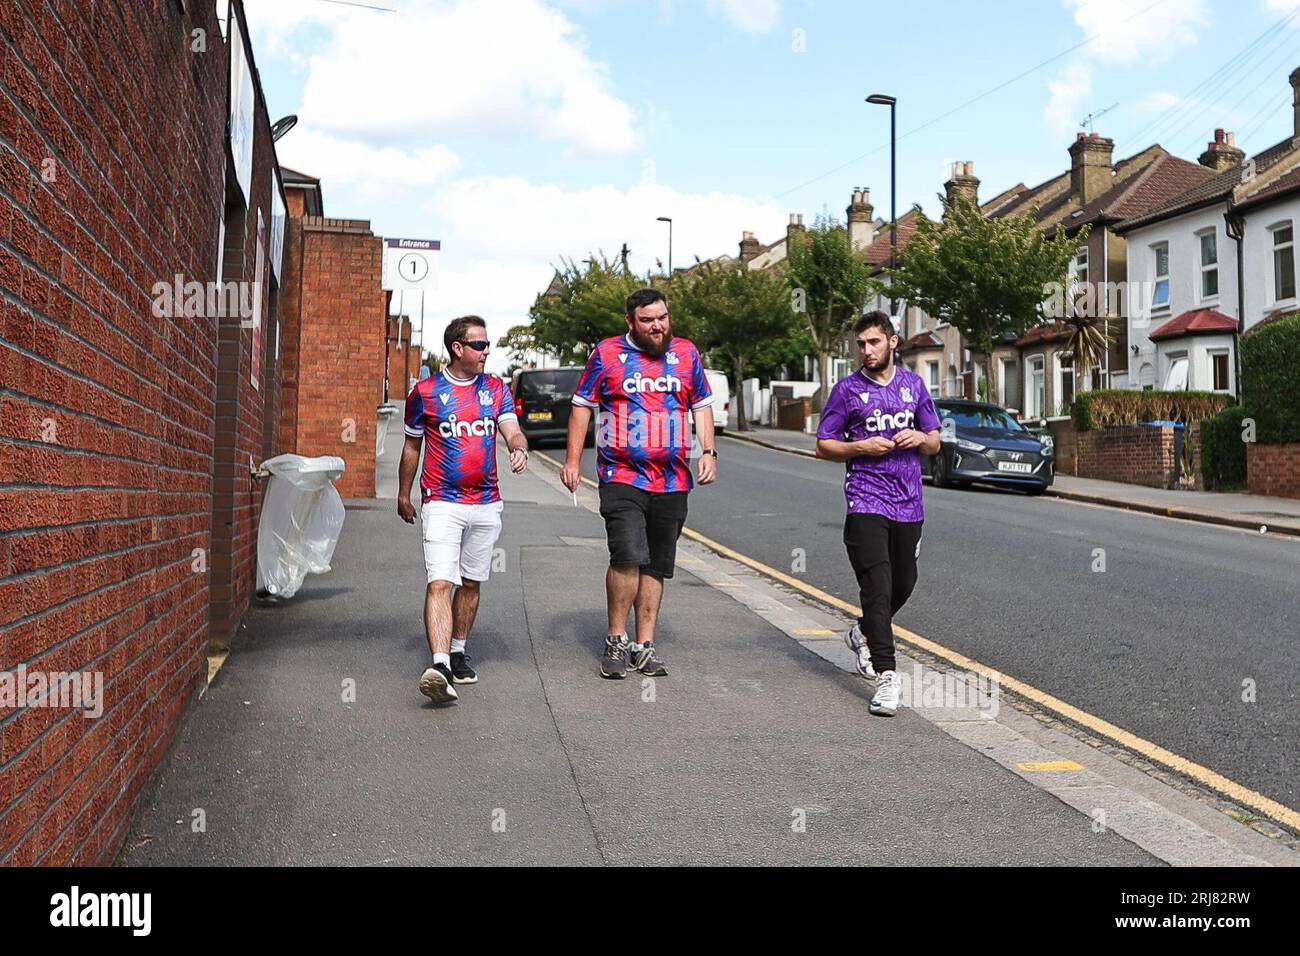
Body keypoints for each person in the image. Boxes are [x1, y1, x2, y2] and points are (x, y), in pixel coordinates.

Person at [561, 288, 716, 679]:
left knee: (657, 565)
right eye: (647, 320)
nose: (657, 326)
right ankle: (616, 639)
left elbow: (701, 404)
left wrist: (709, 451)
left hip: (674, 477)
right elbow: (582, 405)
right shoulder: (607, 353)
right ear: (631, 322)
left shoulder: (687, 354)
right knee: (628, 555)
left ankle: (643, 646)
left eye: (662, 317)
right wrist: (574, 461)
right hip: (622, 475)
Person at [398, 315, 529, 705]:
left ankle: (457, 650)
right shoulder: (425, 392)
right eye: (479, 345)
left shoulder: (496, 388)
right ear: (458, 348)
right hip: (441, 501)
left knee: (471, 583)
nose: (486, 352)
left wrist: (518, 447)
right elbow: (411, 447)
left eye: (488, 345)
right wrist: (404, 495)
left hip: (486, 503)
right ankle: (438, 666)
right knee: (441, 581)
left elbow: (511, 428)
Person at [815, 311, 940, 716]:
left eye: (874, 342)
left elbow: (935, 440)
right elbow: (824, 445)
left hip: (909, 501)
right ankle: (887, 676)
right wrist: (861, 447)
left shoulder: (914, 385)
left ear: (893, 342)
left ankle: (863, 631)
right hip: (865, 498)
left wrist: (921, 437)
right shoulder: (847, 391)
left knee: (904, 583)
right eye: (861, 344)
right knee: (878, 586)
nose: (866, 350)